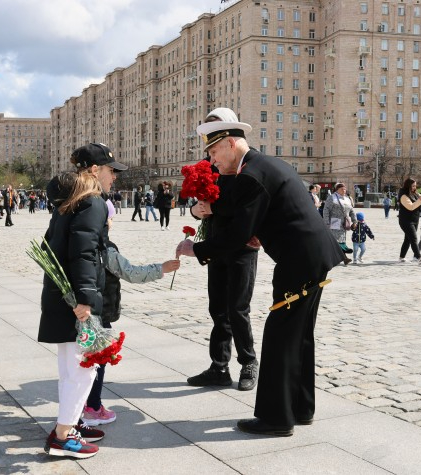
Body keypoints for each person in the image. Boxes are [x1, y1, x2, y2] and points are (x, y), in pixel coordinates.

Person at [176, 110, 344, 437]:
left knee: (280, 336)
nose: (211, 161)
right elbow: (249, 211)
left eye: (213, 153)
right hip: (312, 256)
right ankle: (300, 407)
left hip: (298, 261)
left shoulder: (252, 175)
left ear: (229, 143)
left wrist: (195, 249)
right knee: (299, 335)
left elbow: (238, 234)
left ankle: (276, 418)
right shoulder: (263, 166)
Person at [40, 143, 127, 459]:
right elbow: (84, 254)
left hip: (63, 297)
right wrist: (87, 299)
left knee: (69, 368)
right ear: (94, 170)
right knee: (83, 369)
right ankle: (63, 436)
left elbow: (51, 247)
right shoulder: (92, 203)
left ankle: (69, 423)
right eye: (110, 170)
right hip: (77, 302)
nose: (113, 177)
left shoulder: (69, 202)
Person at [82, 201, 180, 426]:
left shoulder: (80, 242)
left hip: (81, 309)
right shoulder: (106, 249)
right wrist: (161, 269)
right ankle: (93, 407)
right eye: (111, 218)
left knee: (83, 359)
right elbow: (131, 273)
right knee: (98, 359)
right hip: (100, 310)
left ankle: (83, 404)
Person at [186, 107, 260, 392]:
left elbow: (257, 205)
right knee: (217, 308)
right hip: (216, 244)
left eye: (217, 130)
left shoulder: (245, 167)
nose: (212, 140)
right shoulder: (210, 166)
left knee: (238, 308)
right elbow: (198, 207)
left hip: (243, 245)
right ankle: (219, 367)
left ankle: (249, 363)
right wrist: (197, 210)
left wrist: (261, 232)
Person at [398, 177, 421, 265]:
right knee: (413, 238)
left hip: (414, 219)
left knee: (408, 239)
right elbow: (411, 207)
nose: (414, 188)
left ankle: (401, 257)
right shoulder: (403, 196)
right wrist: (420, 200)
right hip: (406, 220)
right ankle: (418, 257)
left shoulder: (414, 193)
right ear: (408, 186)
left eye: (415, 186)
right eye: (413, 186)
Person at [322, 183, 356, 265]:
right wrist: (326, 222)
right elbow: (326, 210)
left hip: (344, 223)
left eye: (345, 189)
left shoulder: (347, 199)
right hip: (334, 221)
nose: (344, 191)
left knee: (341, 239)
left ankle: (342, 257)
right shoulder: (332, 197)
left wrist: (354, 221)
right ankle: (344, 256)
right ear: (337, 190)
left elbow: (351, 211)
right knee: (336, 240)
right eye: (342, 189)